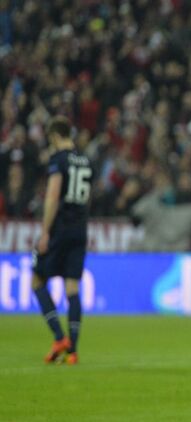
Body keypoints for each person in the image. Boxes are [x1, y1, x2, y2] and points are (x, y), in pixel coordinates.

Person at [32, 116, 93, 365]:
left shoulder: (59, 160)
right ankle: (73, 351)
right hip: (80, 229)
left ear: (56, 136)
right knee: (72, 287)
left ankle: (59, 337)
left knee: (37, 281)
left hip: (60, 229)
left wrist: (45, 231)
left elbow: (53, 196)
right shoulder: (86, 161)